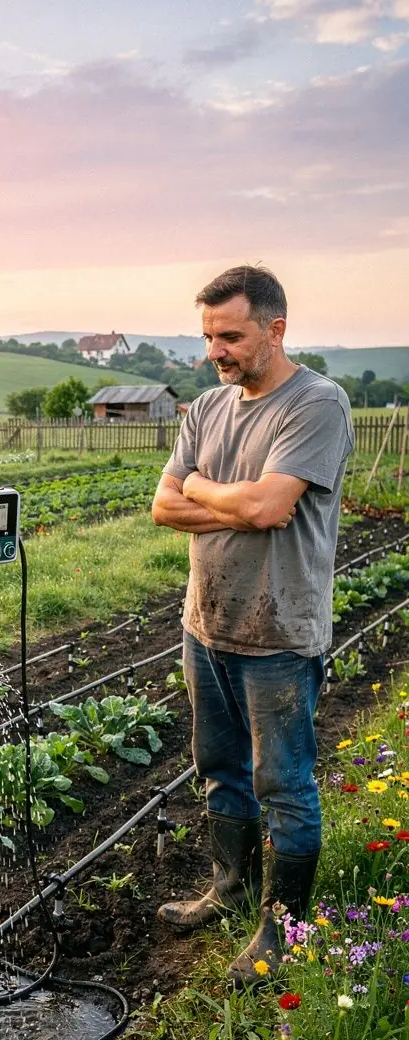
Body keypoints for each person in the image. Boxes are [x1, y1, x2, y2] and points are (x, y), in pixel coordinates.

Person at [151, 265, 353, 988]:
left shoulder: (317, 403)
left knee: (284, 782)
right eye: (208, 336)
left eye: (230, 335)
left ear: (275, 330)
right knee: (219, 769)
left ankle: (282, 925)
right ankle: (230, 887)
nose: (217, 350)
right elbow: (162, 507)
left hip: (279, 633)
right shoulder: (207, 408)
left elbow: (269, 510)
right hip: (205, 624)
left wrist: (202, 487)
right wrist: (228, 500)